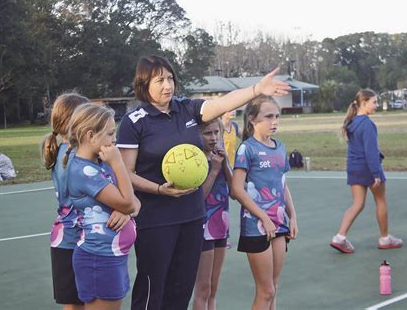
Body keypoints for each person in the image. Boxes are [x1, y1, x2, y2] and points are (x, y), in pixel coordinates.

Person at [116, 55, 289, 310]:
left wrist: (256, 90)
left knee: (181, 289)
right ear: (144, 83)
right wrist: (159, 189)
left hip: (192, 216)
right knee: (153, 289)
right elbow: (125, 173)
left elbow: (222, 104)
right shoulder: (134, 122)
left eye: (170, 79)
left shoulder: (186, 109)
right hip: (155, 220)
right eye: (160, 80)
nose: (168, 86)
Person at [65, 103, 140, 310]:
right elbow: (127, 202)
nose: (114, 139)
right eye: (110, 134)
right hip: (99, 258)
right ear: (91, 136)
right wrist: (118, 163)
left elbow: (134, 203)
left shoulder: (99, 164)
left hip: (112, 256)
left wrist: (125, 212)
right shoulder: (84, 171)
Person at [232, 95, 298, 310]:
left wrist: (293, 216)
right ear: (252, 119)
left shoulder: (280, 147)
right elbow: (236, 189)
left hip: (279, 223)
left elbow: (282, 183)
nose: (274, 122)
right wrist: (263, 217)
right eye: (268, 117)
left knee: (274, 287)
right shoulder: (247, 149)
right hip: (256, 226)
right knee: (265, 290)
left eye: (277, 116)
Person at [330, 89, 403, 254]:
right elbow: (370, 152)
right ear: (364, 103)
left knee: (357, 204)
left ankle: (339, 237)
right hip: (369, 169)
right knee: (381, 201)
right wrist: (376, 173)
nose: (376, 105)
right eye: (374, 102)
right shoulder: (368, 124)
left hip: (354, 167)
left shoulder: (351, 122)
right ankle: (385, 238)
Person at [41, 93, 89, 310]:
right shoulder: (76, 158)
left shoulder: (61, 153)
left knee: (72, 303)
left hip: (63, 240)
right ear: (74, 123)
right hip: (78, 239)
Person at [193, 119, 233, 310]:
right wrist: (214, 170)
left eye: (217, 132)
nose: (213, 138)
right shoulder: (195, 161)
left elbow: (235, 191)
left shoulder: (219, 158)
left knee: (213, 289)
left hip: (220, 227)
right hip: (202, 228)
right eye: (208, 133)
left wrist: (224, 165)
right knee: (203, 288)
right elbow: (199, 198)